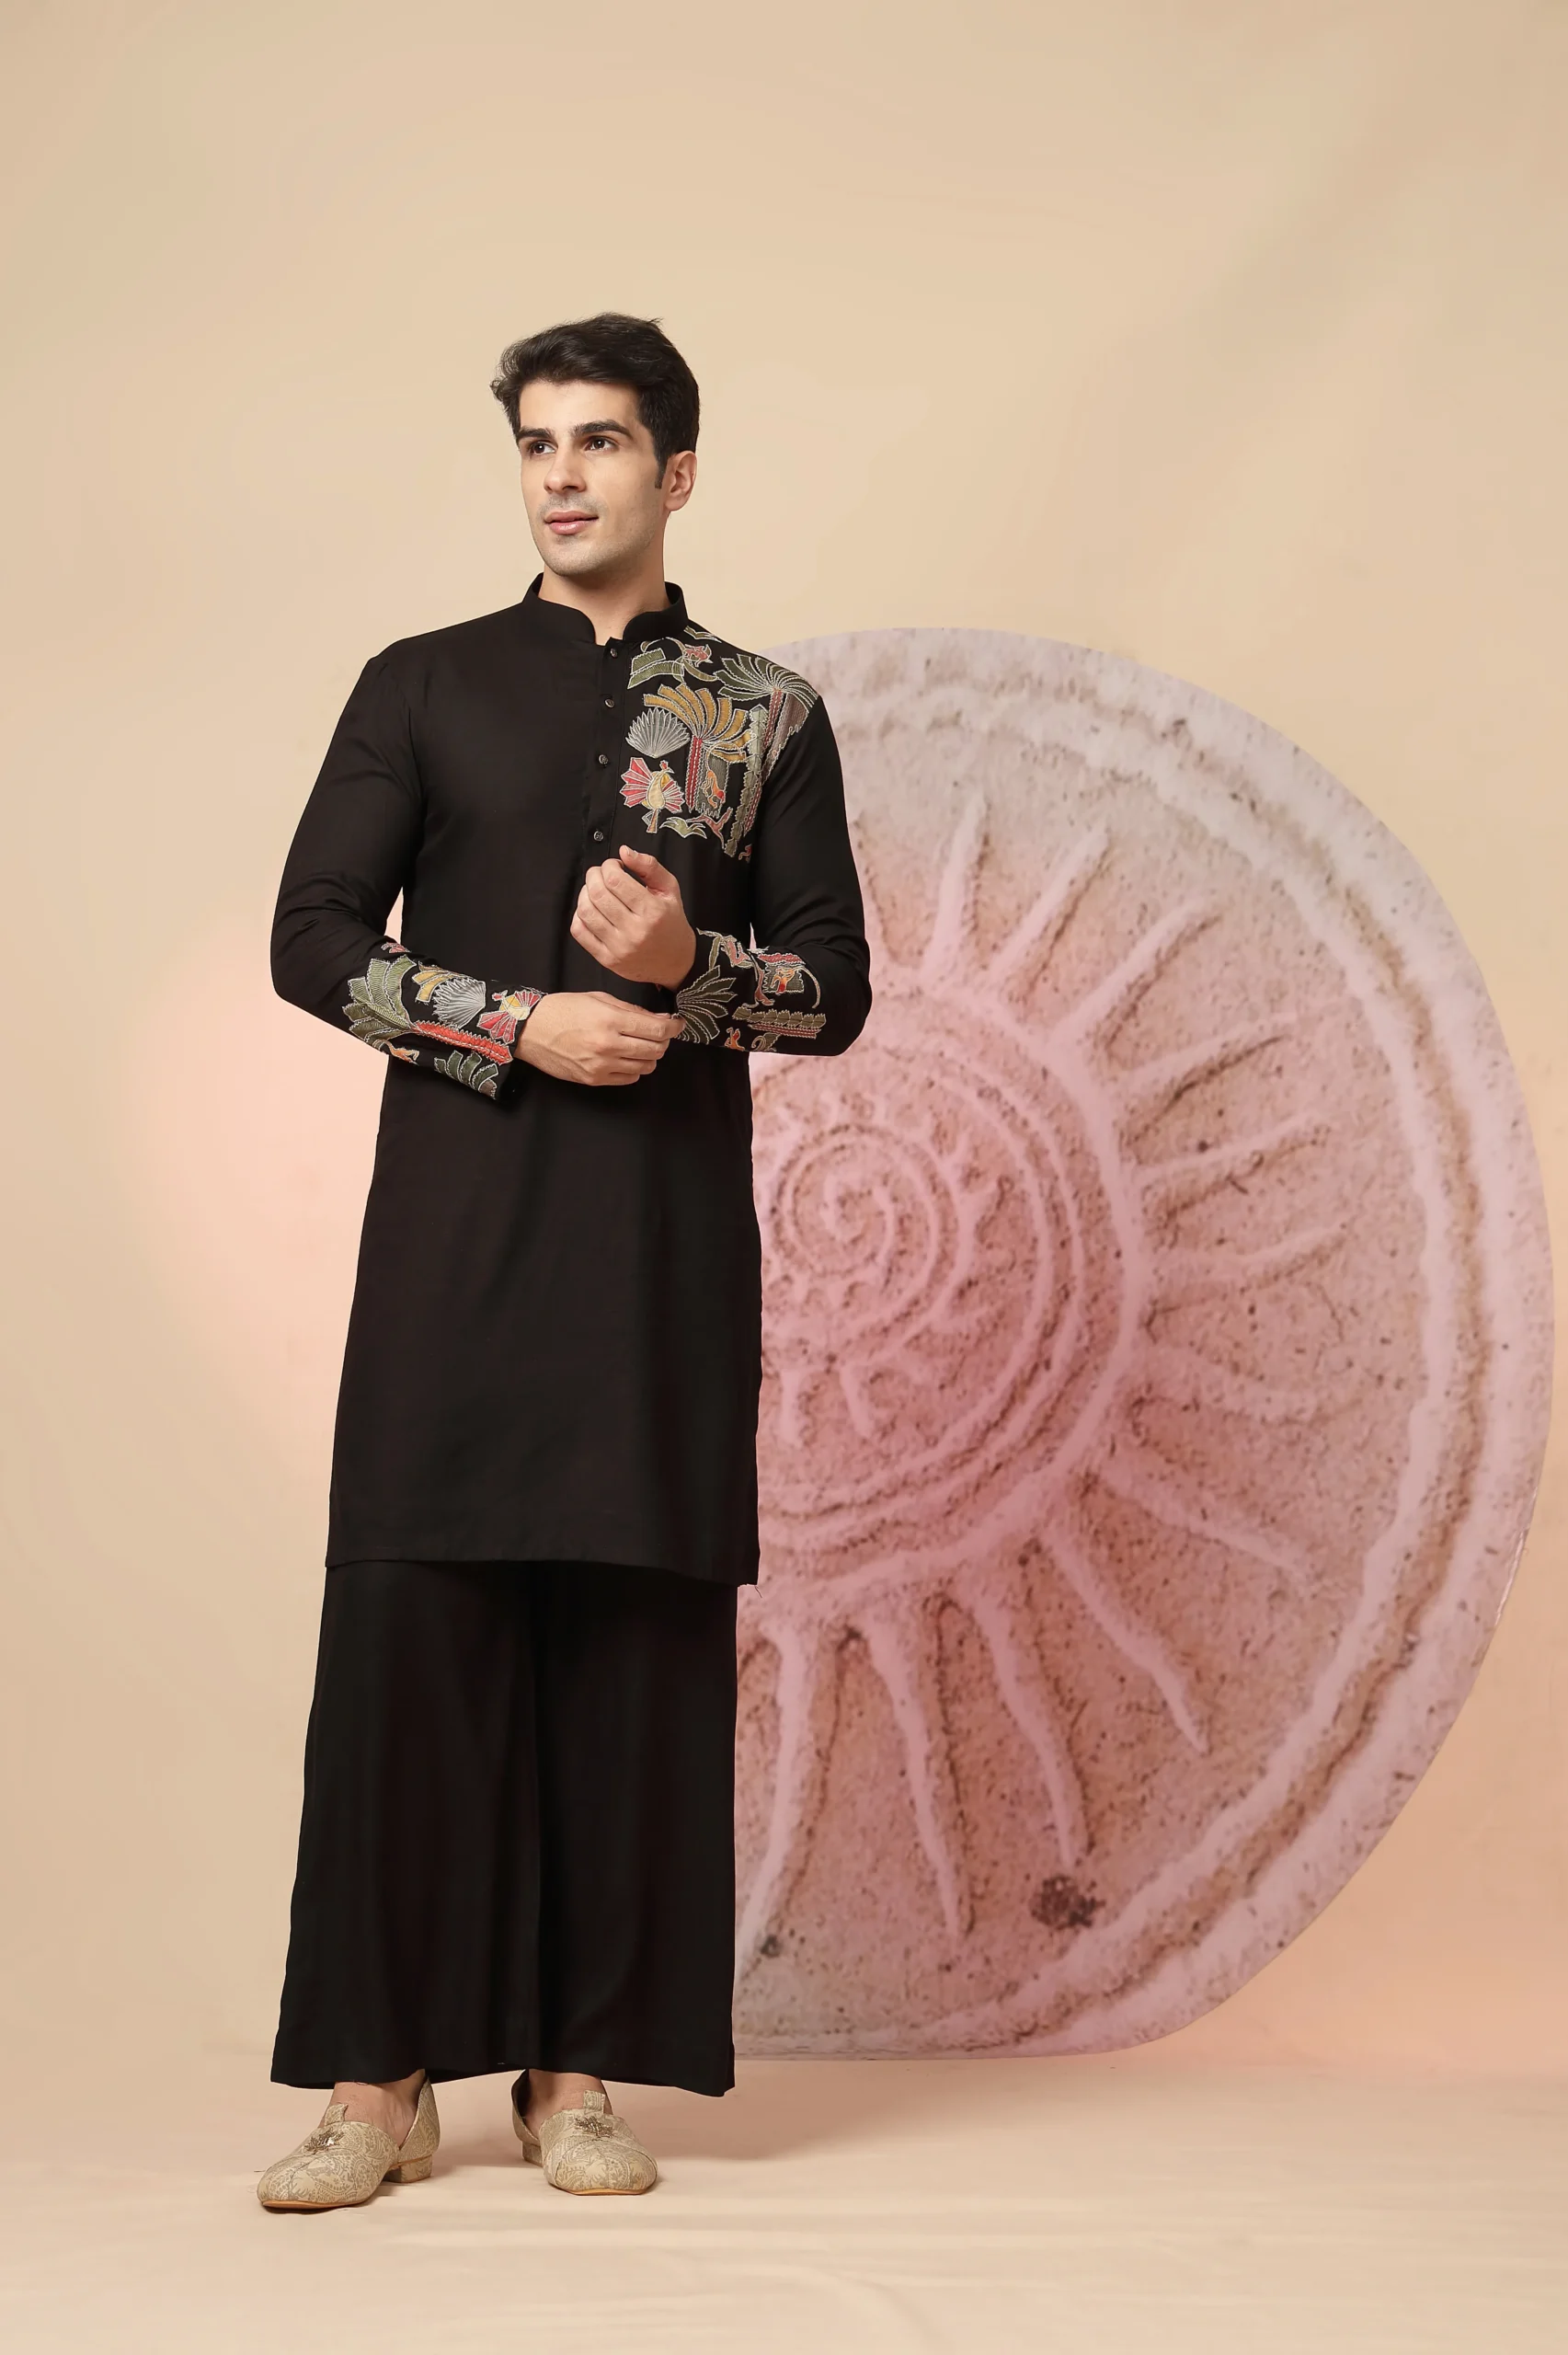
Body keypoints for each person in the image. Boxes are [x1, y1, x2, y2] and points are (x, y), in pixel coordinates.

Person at [255, 313, 871, 2211]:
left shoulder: (763, 715)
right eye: (537, 442)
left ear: (673, 471)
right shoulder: (424, 683)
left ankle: (573, 2075)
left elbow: (835, 991)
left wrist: (691, 975)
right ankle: (375, 2087)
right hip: (457, 1244)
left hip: (656, 1259)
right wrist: (517, 1021)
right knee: (411, 1643)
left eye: (599, 441)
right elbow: (310, 934)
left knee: (626, 1645)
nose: (562, 475)